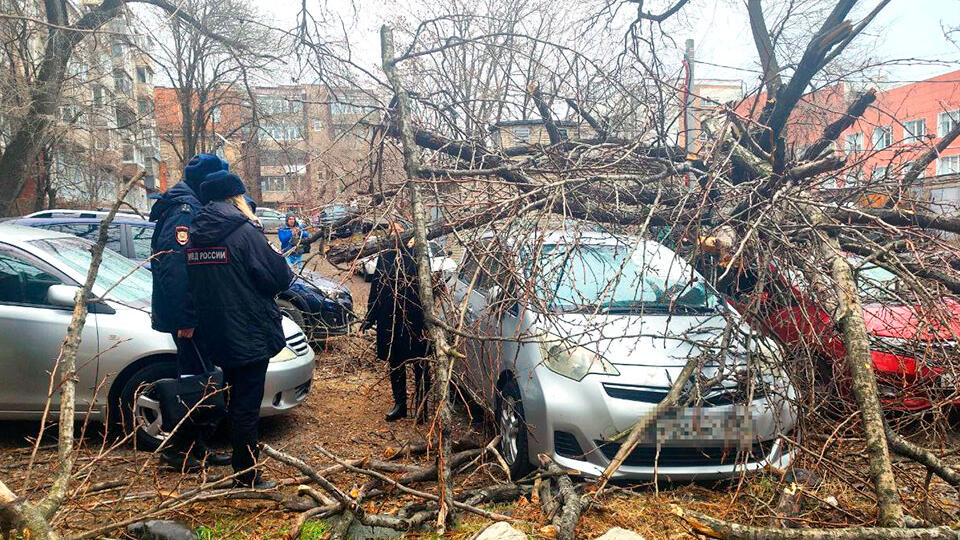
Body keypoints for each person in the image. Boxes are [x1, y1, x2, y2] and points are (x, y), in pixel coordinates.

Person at [186, 170, 294, 488]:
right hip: (248, 332)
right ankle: (246, 475)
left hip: (215, 333)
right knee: (246, 405)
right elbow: (279, 278)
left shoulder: (194, 234)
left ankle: (237, 463)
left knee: (232, 400)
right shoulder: (244, 231)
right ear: (236, 198)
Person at [148, 153, 231, 471]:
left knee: (199, 381)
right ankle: (178, 450)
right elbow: (175, 266)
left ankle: (198, 448)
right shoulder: (185, 210)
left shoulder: (190, 204)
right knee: (196, 384)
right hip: (189, 319)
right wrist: (185, 318)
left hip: (196, 315)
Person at [361, 222, 431, 423]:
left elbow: (429, 288)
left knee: (421, 363)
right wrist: (369, 317)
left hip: (415, 320)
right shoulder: (384, 257)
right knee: (395, 363)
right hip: (390, 319)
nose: (397, 236)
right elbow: (376, 289)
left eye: (401, 232)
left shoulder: (418, 256)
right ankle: (400, 404)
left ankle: (421, 407)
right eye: (394, 233)